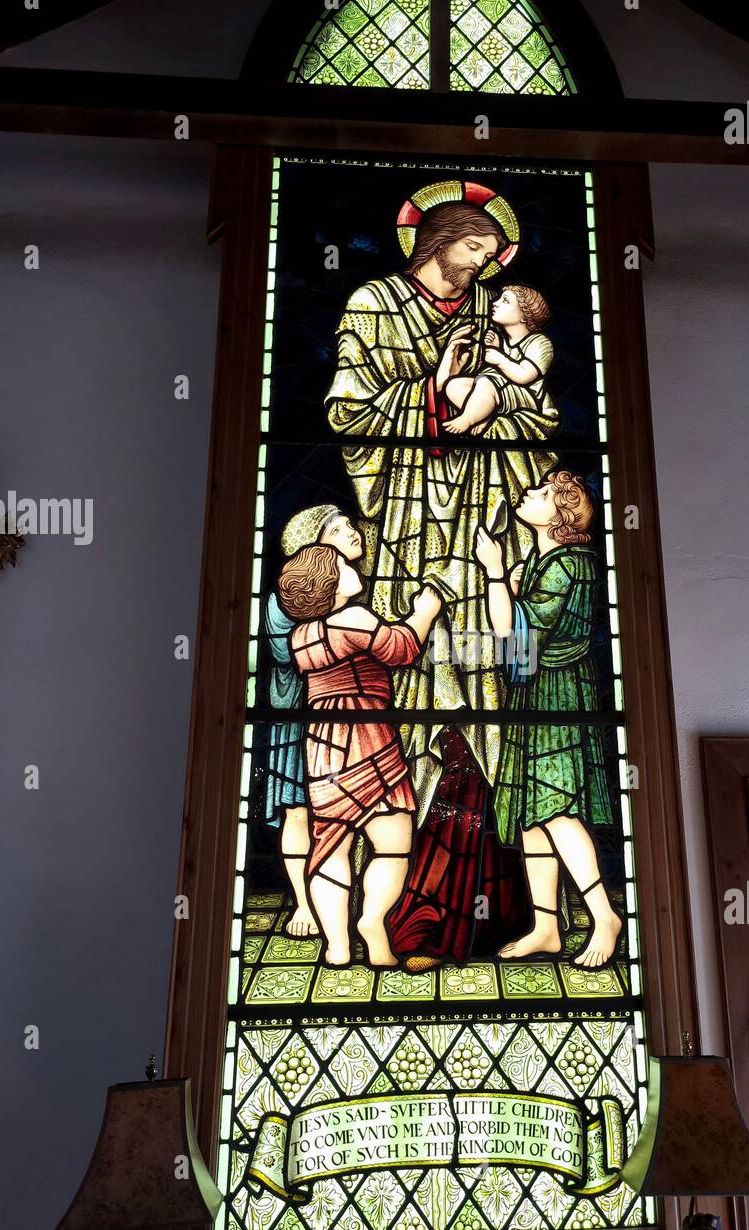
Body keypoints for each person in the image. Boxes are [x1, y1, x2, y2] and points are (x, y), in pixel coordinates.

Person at [325, 193, 559, 964]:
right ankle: (397, 911)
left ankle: (495, 909)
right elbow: (346, 414)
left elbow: (542, 419)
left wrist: (495, 400)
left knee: (485, 701)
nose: (488, 264)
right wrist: (433, 395)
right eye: (477, 249)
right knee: (421, 703)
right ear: (438, 240)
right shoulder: (372, 305)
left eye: (495, 254)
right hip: (406, 533)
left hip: (486, 527)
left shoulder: (501, 313)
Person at [474, 471, 622, 969]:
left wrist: (494, 572)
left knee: (557, 810)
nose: (527, 495)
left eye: (539, 494)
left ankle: (603, 916)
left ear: (560, 516)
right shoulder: (547, 559)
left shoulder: (567, 565)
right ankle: (546, 926)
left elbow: (512, 637)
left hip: (557, 694)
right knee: (532, 818)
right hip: (537, 691)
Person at [277, 542, 441, 968]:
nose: (351, 566)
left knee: (330, 844)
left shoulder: (301, 636)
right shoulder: (352, 617)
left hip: (323, 746)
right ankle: (371, 920)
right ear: (328, 583)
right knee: (392, 844)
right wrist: (425, 611)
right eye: (341, 565)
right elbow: (401, 648)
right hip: (367, 736)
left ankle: (337, 944)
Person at [264, 505, 363, 939]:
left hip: (346, 722)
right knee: (300, 813)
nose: (352, 531)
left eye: (348, 522)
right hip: (298, 721)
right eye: (338, 528)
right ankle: (304, 904)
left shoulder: (360, 585)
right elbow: (289, 655)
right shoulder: (286, 597)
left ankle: (348, 901)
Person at [443, 285, 553, 436]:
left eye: (505, 301)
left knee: (485, 382)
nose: (495, 302)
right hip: (501, 392)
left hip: (526, 399)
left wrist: (499, 358)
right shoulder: (504, 341)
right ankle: (484, 415)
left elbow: (524, 376)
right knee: (454, 385)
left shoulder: (540, 342)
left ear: (524, 315)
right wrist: (497, 348)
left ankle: (467, 419)